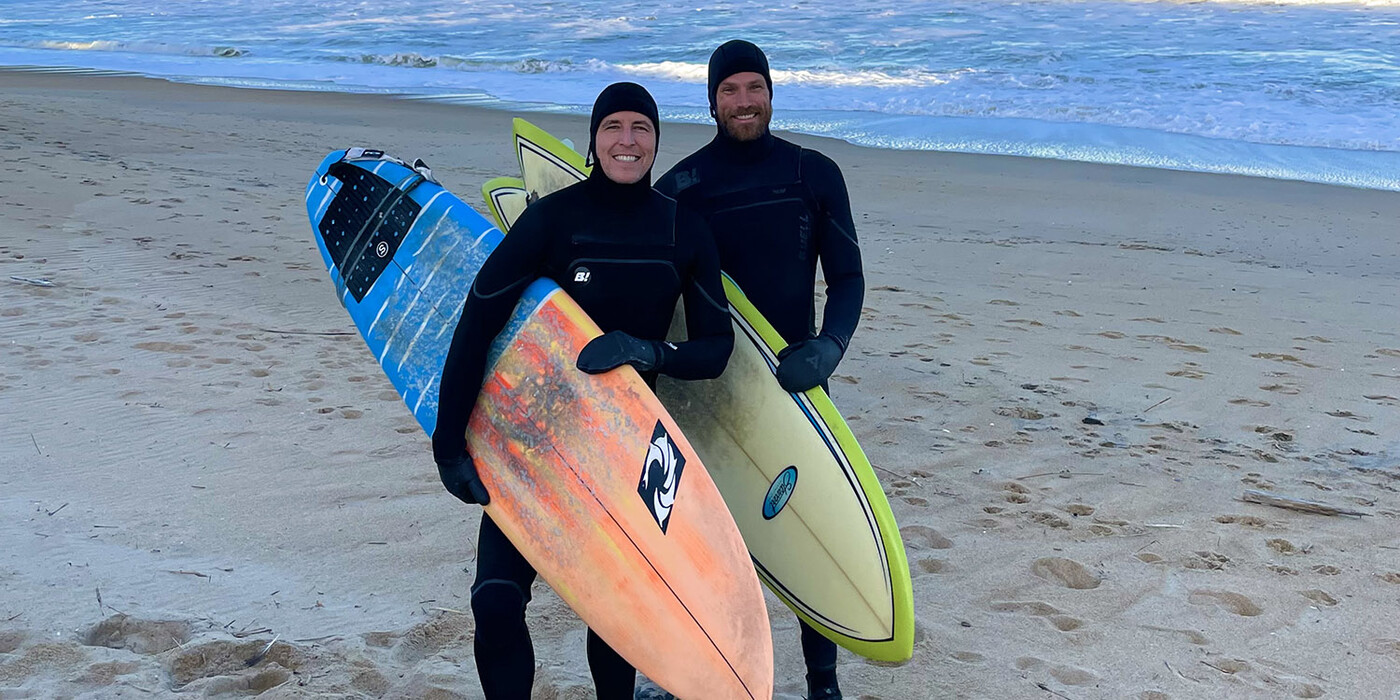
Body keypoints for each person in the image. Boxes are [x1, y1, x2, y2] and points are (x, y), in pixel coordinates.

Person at [431, 82, 734, 700]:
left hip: (630, 447)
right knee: (494, 604)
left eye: (641, 128)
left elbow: (715, 350)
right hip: (535, 439)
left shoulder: (685, 229)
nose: (628, 141)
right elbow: (478, 320)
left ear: (656, 140)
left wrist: (648, 350)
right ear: (595, 140)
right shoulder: (554, 218)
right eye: (614, 127)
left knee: (617, 618)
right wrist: (449, 444)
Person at [655, 40, 865, 700]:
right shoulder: (681, 189)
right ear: (711, 100)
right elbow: (648, 286)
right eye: (730, 90)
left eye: (754, 87)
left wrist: (829, 346)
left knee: (811, 531)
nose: (744, 101)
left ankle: (822, 684)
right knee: (703, 541)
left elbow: (850, 278)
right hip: (706, 389)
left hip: (796, 382)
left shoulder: (814, 173)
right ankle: (709, 673)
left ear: (771, 93)